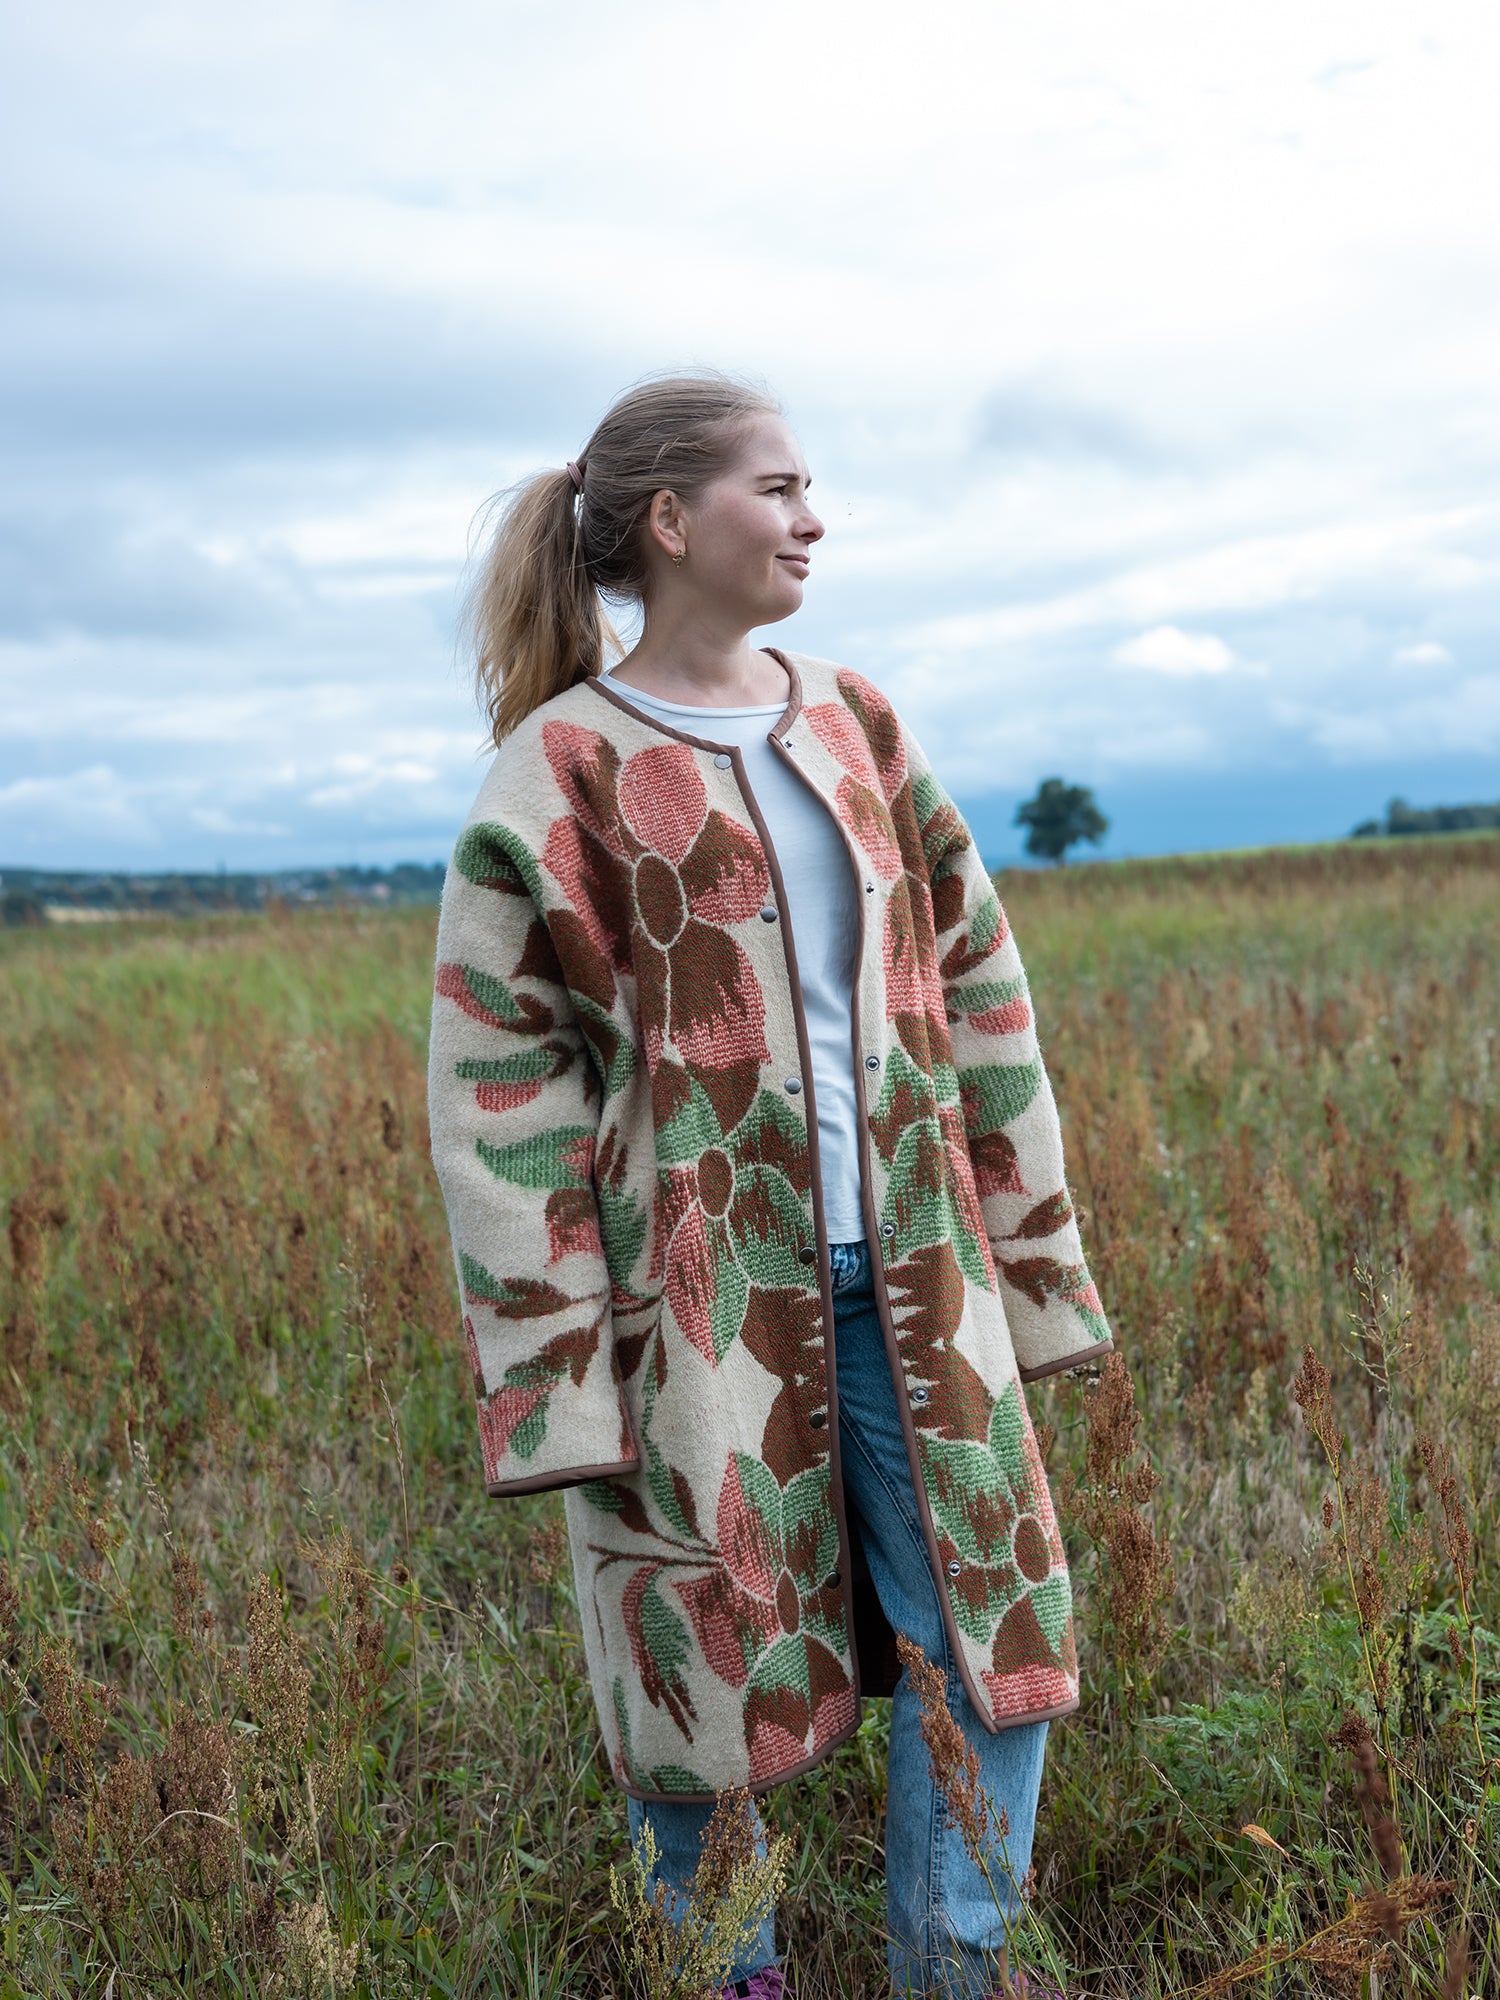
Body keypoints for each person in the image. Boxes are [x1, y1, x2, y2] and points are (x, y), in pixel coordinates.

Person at [427, 370, 1113, 1999]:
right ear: (673, 521)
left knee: (994, 1640)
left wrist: (1030, 1260)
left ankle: (954, 1971)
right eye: (780, 488)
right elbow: (498, 1083)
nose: (814, 520)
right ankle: (727, 1981)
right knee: (699, 1681)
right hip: (690, 1309)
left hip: (917, 1280)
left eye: (812, 490)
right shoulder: (559, 766)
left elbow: (978, 985)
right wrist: (556, 1372)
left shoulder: (857, 719)